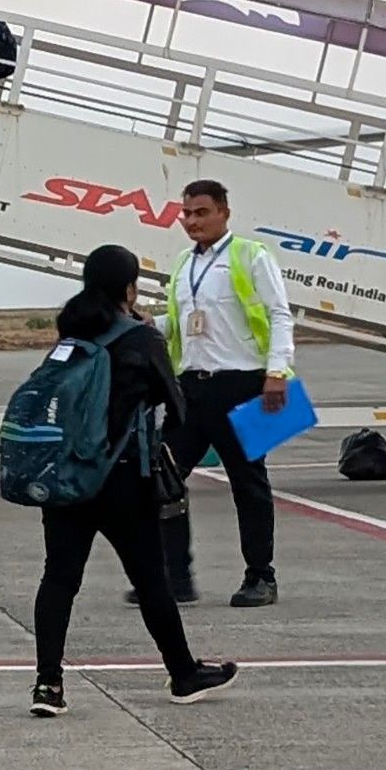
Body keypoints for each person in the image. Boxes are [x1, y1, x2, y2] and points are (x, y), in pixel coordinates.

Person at [32, 246, 238, 716]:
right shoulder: (139, 338)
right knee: (150, 580)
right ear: (128, 287)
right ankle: (183, 673)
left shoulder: (69, 335)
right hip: (122, 479)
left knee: (60, 577)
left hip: (66, 476)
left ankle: (48, 685)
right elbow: (178, 406)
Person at [143, 180, 296, 607]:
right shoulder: (181, 264)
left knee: (248, 484)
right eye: (186, 213)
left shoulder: (250, 255)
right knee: (163, 479)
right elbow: (180, 321)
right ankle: (175, 577)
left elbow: (279, 315)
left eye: (201, 212)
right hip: (191, 387)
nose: (192, 221)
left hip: (242, 383)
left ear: (224, 212)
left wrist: (277, 371)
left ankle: (261, 576)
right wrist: (142, 326)